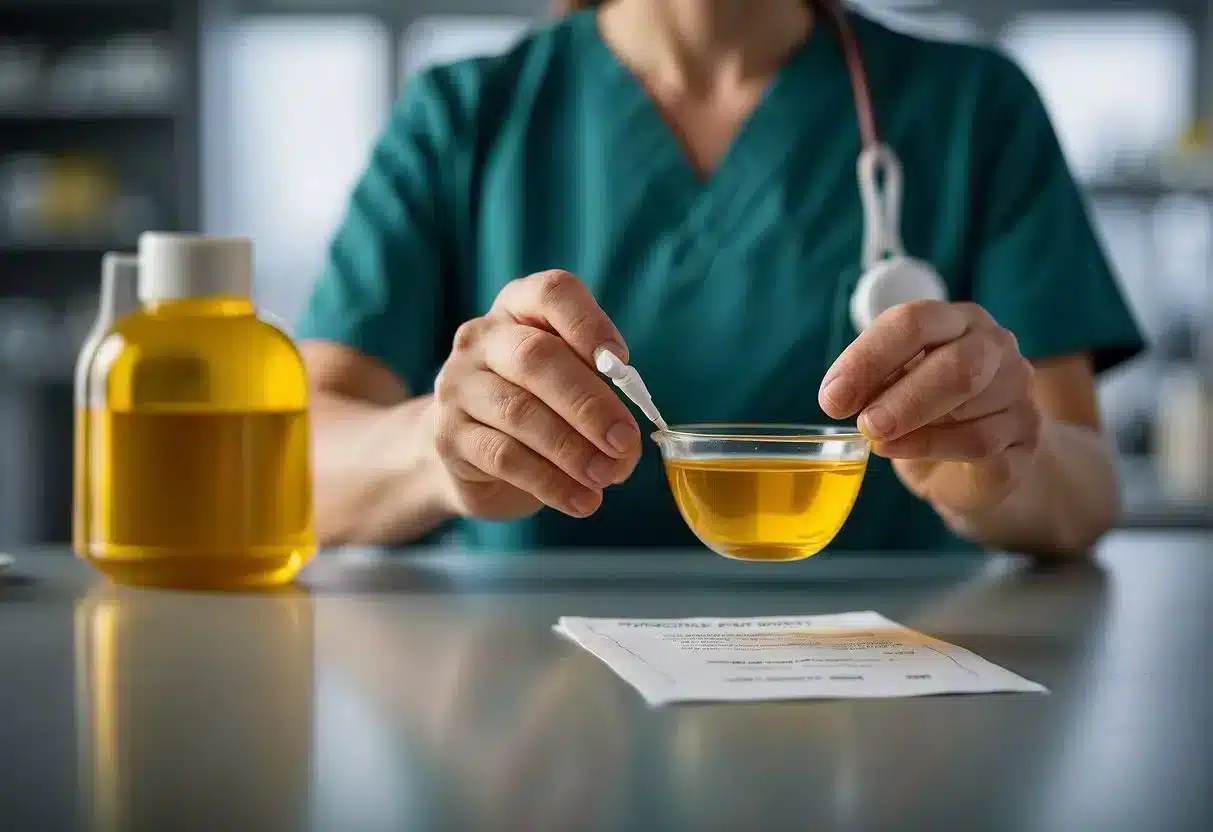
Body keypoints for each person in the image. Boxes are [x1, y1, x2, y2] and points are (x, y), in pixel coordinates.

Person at [296, 0, 1145, 557]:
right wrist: (437, 452)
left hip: (881, 714)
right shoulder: (463, 118)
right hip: (537, 731)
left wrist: (999, 469)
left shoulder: (971, 108)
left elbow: (1084, 485)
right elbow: (296, 468)